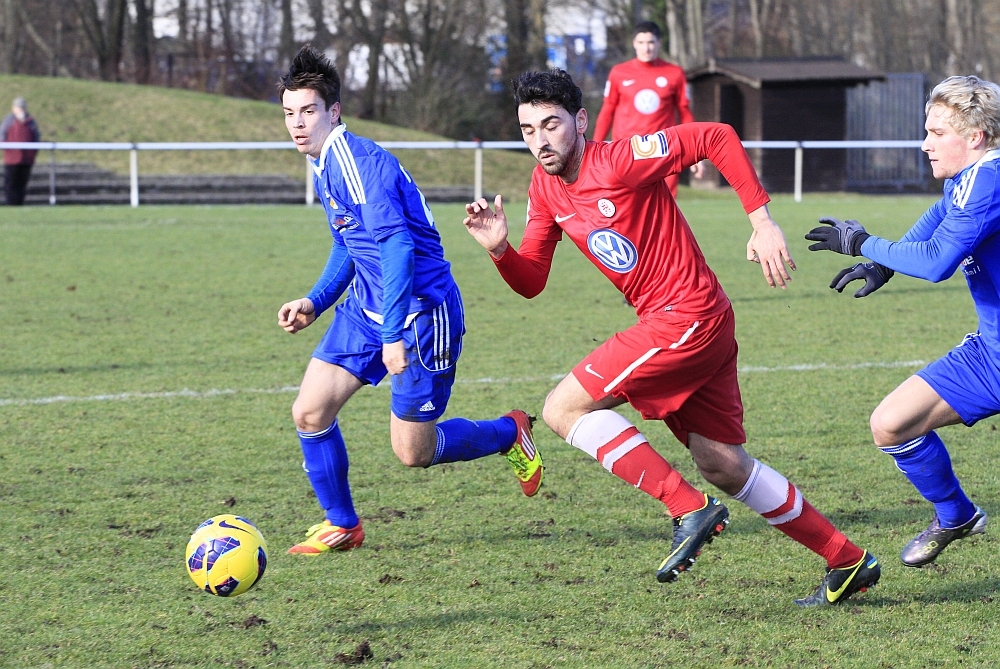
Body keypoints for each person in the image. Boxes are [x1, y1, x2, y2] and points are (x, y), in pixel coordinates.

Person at [464, 69, 880, 606]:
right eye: (528, 130)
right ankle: (847, 559)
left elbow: (717, 136)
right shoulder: (543, 189)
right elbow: (531, 281)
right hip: (697, 321)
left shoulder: (620, 159)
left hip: (686, 317)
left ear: (581, 120)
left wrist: (762, 222)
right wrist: (500, 250)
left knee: (561, 409)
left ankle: (687, 508)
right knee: (723, 463)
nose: (540, 141)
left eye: (551, 125)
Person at [275, 46, 542, 555]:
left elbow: (397, 246)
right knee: (309, 412)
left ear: (334, 111)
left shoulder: (357, 162)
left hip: (421, 317)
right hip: (367, 307)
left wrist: (393, 333)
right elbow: (349, 242)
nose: (297, 124)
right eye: (290, 113)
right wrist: (316, 300)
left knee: (413, 452)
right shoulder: (324, 163)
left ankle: (509, 433)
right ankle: (343, 525)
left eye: (308, 111)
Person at [806, 75, 1000, 568]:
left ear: (975, 136)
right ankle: (956, 515)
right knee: (891, 424)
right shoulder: (969, 178)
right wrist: (882, 264)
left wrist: (861, 242)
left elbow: (937, 263)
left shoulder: (990, 183)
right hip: (992, 352)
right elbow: (938, 216)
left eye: (937, 133)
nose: (925, 144)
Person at [592, 21, 703, 197]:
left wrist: (695, 150)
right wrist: (594, 148)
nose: (646, 48)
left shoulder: (675, 73)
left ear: (659, 43)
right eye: (641, 42)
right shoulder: (618, 73)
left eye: (651, 42)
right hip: (626, 150)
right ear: (634, 43)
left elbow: (685, 112)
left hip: (664, 150)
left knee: (664, 205)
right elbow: (607, 111)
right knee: (625, 204)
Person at [1, 97, 40, 206]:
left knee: (22, 184)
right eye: (18, 107)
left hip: (26, 159)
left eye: (22, 107)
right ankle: (11, 204)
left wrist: (32, 153)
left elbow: (36, 137)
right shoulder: (9, 120)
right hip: (12, 160)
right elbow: (2, 135)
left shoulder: (30, 121)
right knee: (11, 184)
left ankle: (19, 204)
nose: (20, 109)